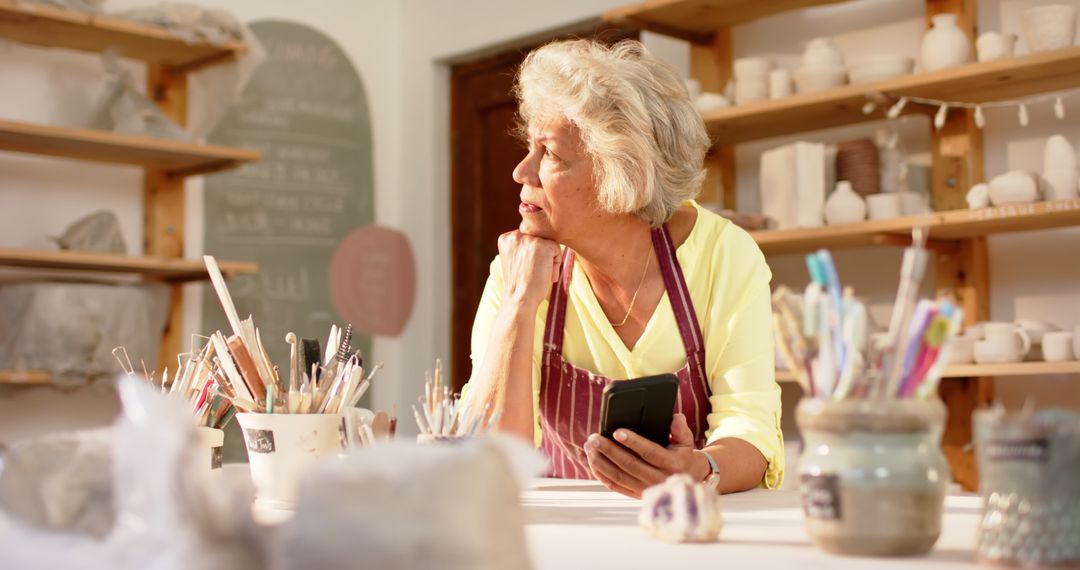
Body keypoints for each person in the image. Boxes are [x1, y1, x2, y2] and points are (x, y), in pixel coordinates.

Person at [463, 39, 783, 498]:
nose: (521, 171)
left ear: (621, 171)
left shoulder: (723, 254)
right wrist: (519, 300)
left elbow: (751, 431)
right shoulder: (515, 268)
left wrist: (699, 469)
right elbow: (492, 458)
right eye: (528, 147)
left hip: (691, 538)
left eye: (548, 153)